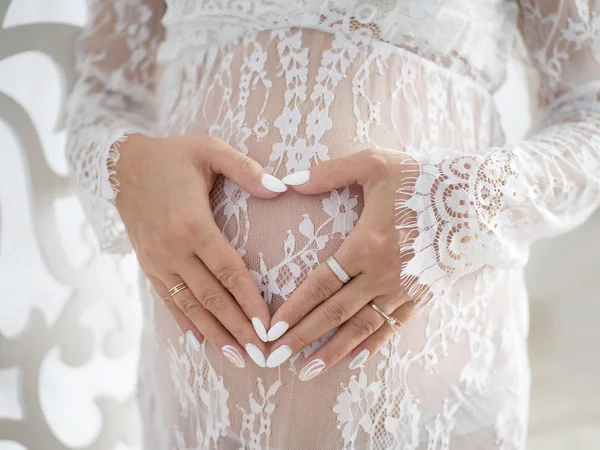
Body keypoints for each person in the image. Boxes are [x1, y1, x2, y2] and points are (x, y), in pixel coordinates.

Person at [65, 1, 600, 448]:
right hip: (196, 394)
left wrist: (455, 203)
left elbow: (589, 109)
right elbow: (106, 95)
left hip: (429, 375)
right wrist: (126, 170)